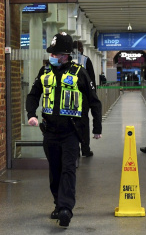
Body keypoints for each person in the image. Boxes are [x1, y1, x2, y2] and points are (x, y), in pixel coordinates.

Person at [26, 32, 102, 228]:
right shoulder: (44, 72)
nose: (52, 56)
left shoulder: (79, 73)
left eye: (56, 53)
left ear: (66, 55)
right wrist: (31, 114)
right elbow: (33, 95)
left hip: (71, 131)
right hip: (49, 131)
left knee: (69, 169)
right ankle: (58, 204)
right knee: (55, 170)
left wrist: (97, 127)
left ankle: (66, 208)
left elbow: (94, 101)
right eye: (52, 53)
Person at [73, 40, 96, 157]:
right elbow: (91, 80)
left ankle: (75, 150)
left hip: (69, 98)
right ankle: (85, 149)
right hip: (83, 98)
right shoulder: (86, 60)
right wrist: (93, 98)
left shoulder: (66, 60)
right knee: (84, 124)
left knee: (72, 124)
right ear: (81, 49)